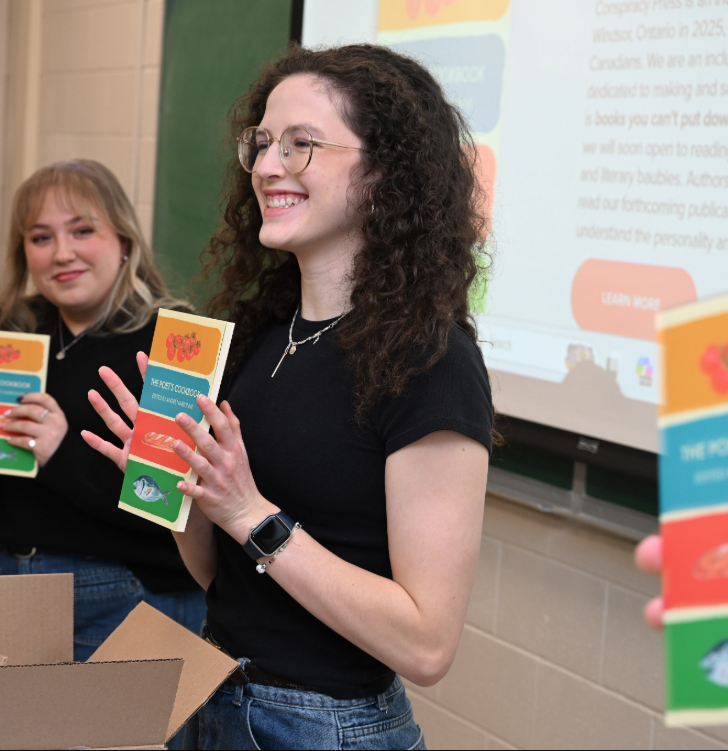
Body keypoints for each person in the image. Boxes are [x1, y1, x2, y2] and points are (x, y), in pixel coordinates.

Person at [83, 45, 494, 750]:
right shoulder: (263, 336)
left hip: (327, 727)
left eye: (302, 145)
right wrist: (180, 490)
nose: (268, 166)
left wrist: (251, 512)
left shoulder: (431, 362)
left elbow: (427, 645)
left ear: (385, 172)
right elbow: (219, 573)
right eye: (263, 143)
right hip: (216, 695)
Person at [0, 160, 205, 662]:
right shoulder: (11, 326)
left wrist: (60, 451)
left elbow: (175, 510)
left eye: (82, 230)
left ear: (124, 240)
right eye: (41, 237)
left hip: (129, 598)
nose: (62, 254)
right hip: (9, 585)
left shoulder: (176, 341)